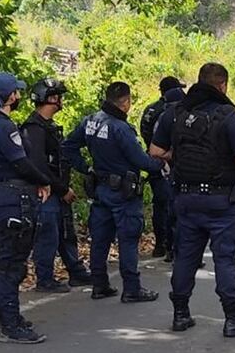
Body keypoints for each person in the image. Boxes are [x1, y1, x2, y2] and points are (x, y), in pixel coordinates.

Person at [150, 62, 235, 337]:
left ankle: (180, 313)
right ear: (223, 85)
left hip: (185, 198)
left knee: (185, 257)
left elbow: (156, 150)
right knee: (225, 260)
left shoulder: (176, 112)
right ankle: (234, 317)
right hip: (220, 202)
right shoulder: (226, 114)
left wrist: (177, 155)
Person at [63, 82, 164, 302]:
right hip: (124, 194)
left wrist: (85, 168)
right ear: (126, 103)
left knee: (100, 238)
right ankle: (132, 288)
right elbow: (139, 160)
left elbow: (68, 146)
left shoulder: (90, 121)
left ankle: (99, 284)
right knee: (128, 238)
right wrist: (159, 163)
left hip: (100, 189)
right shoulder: (120, 128)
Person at [0, 72, 52, 344]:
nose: (19, 96)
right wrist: (43, 181)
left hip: (3, 195)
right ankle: (10, 324)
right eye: (16, 92)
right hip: (14, 198)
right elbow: (21, 162)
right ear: (9, 96)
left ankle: (7, 318)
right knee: (12, 264)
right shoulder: (4, 127)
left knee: (10, 260)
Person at [22, 77, 92, 294]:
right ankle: (45, 279)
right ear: (48, 99)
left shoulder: (49, 128)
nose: (60, 101)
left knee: (65, 232)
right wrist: (61, 189)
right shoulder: (34, 129)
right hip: (46, 193)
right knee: (48, 236)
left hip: (57, 190)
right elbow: (38, 166)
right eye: (57, 97)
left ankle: (76, 271)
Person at [140, 76, 184, 258]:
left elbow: (144, 133)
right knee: (174, 205)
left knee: (159, 205)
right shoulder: (173, 112)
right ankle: (172, 246)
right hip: (169, 163)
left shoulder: (150, 109)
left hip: (153, 161)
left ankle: (160, 244)